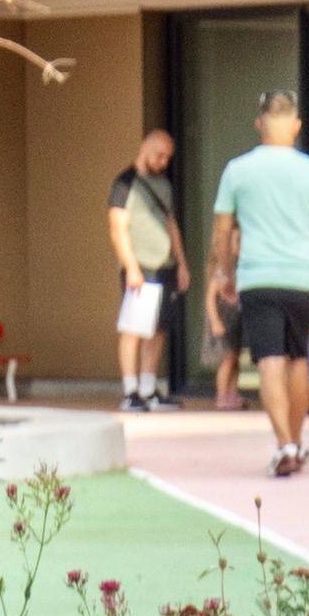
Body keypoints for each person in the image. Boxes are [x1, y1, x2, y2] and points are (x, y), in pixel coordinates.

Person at [205, 92, 309, 478]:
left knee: (269, 361)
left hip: (257, 276)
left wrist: (224, 273)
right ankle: (295, 442)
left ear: (258, 124)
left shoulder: (237, 169)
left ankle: (284, 445)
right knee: (298, 360)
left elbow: (222, 229)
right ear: (296, 126)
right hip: (301, 277)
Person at [107, 130, 184, 414]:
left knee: (158, 329)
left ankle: (150, 388)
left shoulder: (163, 183)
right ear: (145, 149)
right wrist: (130, 267)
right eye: (159, 155)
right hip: (141, 266)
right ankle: (130, 390)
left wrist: (182, 263)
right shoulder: (125, 183)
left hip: (165, 265)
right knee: (134, 328)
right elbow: (117, 228)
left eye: (167, 157)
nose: (163, 161)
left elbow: (171, 224)